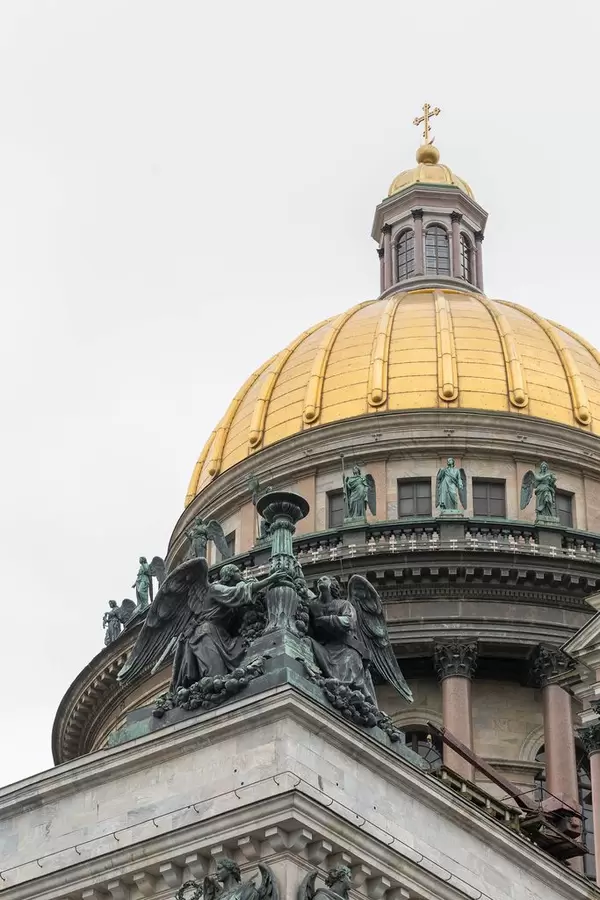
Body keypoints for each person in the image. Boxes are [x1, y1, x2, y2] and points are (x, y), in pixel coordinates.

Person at [171, 563, 289, 690]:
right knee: (215, 674)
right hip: (205, 634)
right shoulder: (215, 589)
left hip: (222, 635)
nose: (242, 574)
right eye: (238, 571)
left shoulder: (229, 599)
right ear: (229, 575)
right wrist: (268, 580)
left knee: (245, 650)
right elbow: (237, 593)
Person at [308, 575, 375, 701]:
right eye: (319, 580)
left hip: (344, 648)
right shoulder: (313, 605)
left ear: (332, 585)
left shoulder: (344, 604)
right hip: (324, 647)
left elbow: (350, 622)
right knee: (306, 644)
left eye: (325, 579)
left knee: (351, 657)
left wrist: (328, 620)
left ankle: (344, 690)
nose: (320, 580)